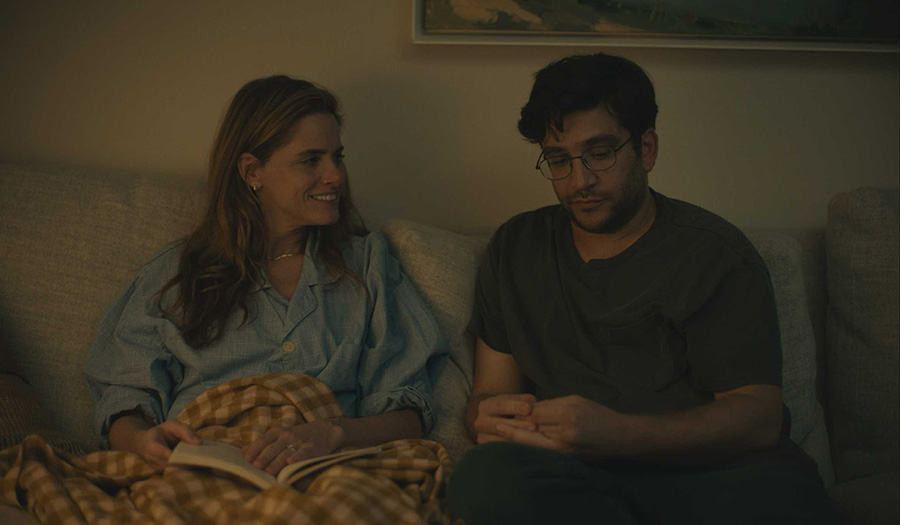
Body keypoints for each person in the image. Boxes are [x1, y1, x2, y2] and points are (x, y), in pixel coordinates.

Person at [448, 54, 838, 524]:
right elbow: (490, 393)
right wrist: (488, 417)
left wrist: (615, 433)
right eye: (559, 159)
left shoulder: (715, 253)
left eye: (600, 152)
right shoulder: (515, 247)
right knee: (482, 477)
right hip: (575, 479)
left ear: (646, 149)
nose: (579, 180)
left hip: (714, 475)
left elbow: (758, 417)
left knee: (784, 500)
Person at [84, 76, 447, 476]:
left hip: (321, 471)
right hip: (202, 466)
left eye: (337, 157)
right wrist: (140, 440)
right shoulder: (177, 274)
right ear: (252, 171)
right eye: (311, 160)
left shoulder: (368, 267)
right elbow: (125, 398)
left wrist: (334, 432)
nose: (336, 176)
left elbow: (409, 413)